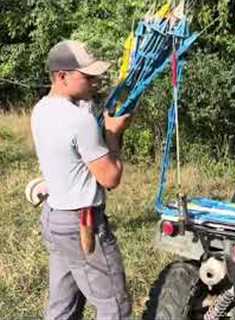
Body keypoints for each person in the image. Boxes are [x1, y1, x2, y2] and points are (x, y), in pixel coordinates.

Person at [31, 40, 132, 319]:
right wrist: (112, 134)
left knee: (63, 306)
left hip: (55, 218)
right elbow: (110, 177)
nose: (95, 81)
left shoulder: (41, 109)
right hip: (82, 224)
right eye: (87, 76)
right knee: (115, 306)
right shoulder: (79, 121)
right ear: (62, 76)